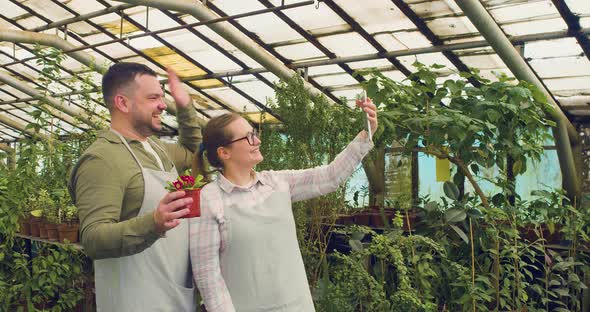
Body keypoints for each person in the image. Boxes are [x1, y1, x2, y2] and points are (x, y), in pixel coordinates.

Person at [190, 98, 378, 311]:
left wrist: (366, 134)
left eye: (255, 133)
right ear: (224, 153)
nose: (257, 140)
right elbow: (207, 277)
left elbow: (330, 176)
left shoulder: (277, 182)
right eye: (249, 137)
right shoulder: (209, 200)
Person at [68, 62, 202, 311]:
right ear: (122, 103)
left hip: (173, 293)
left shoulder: (158, 148)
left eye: (163, 97)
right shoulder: (103, 159)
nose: (163, 105)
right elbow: (93, 239)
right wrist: (153, 223)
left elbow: (194, 153)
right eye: (153, 98)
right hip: (134, 300)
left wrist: (185, 106)